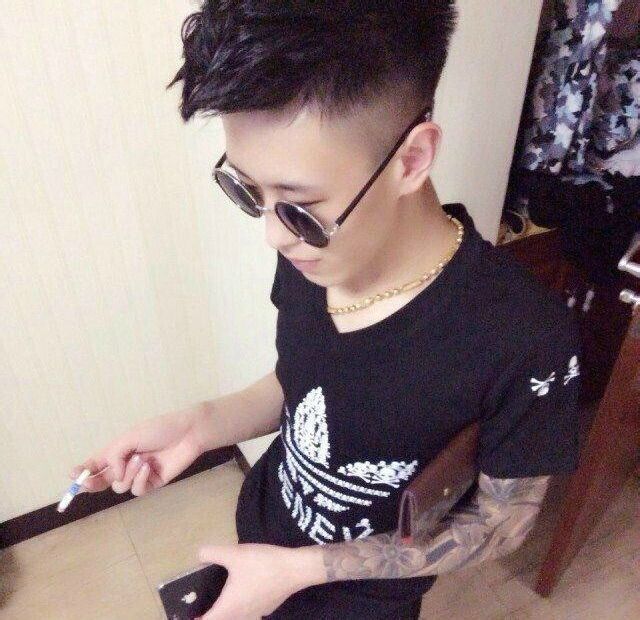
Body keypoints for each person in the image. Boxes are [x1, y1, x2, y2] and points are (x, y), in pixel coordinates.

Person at [71, 2, 583, 618]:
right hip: (261, 534)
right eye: (248, 191)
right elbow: (305, 385)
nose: (274, 235)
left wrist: (299, 572)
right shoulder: (311, 254)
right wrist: (200, 425)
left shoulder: (525, 337)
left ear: (412, 159)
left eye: (300, 206)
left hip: (360, 602)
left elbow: (503, 525)